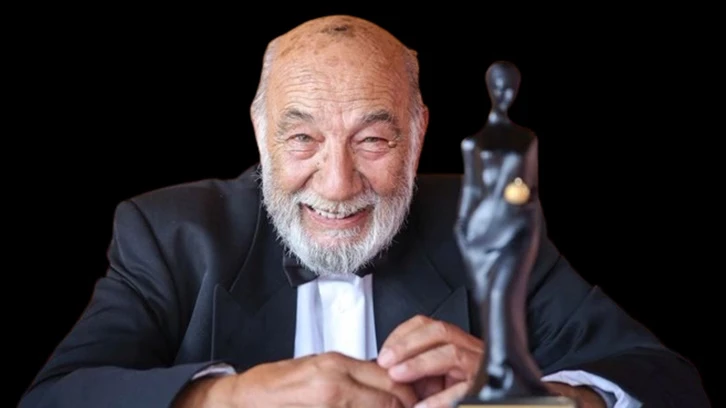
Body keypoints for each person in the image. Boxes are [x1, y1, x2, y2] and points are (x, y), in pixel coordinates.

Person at [20, 15, 709, 408]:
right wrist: (225, 399)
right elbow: (55, 397)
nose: (338, 182)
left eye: (373, 141)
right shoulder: (168, 234)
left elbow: (664, 378)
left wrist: (535, 397)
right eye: (302, 139)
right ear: (260, 136)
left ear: (419, 134)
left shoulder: (482, 220)